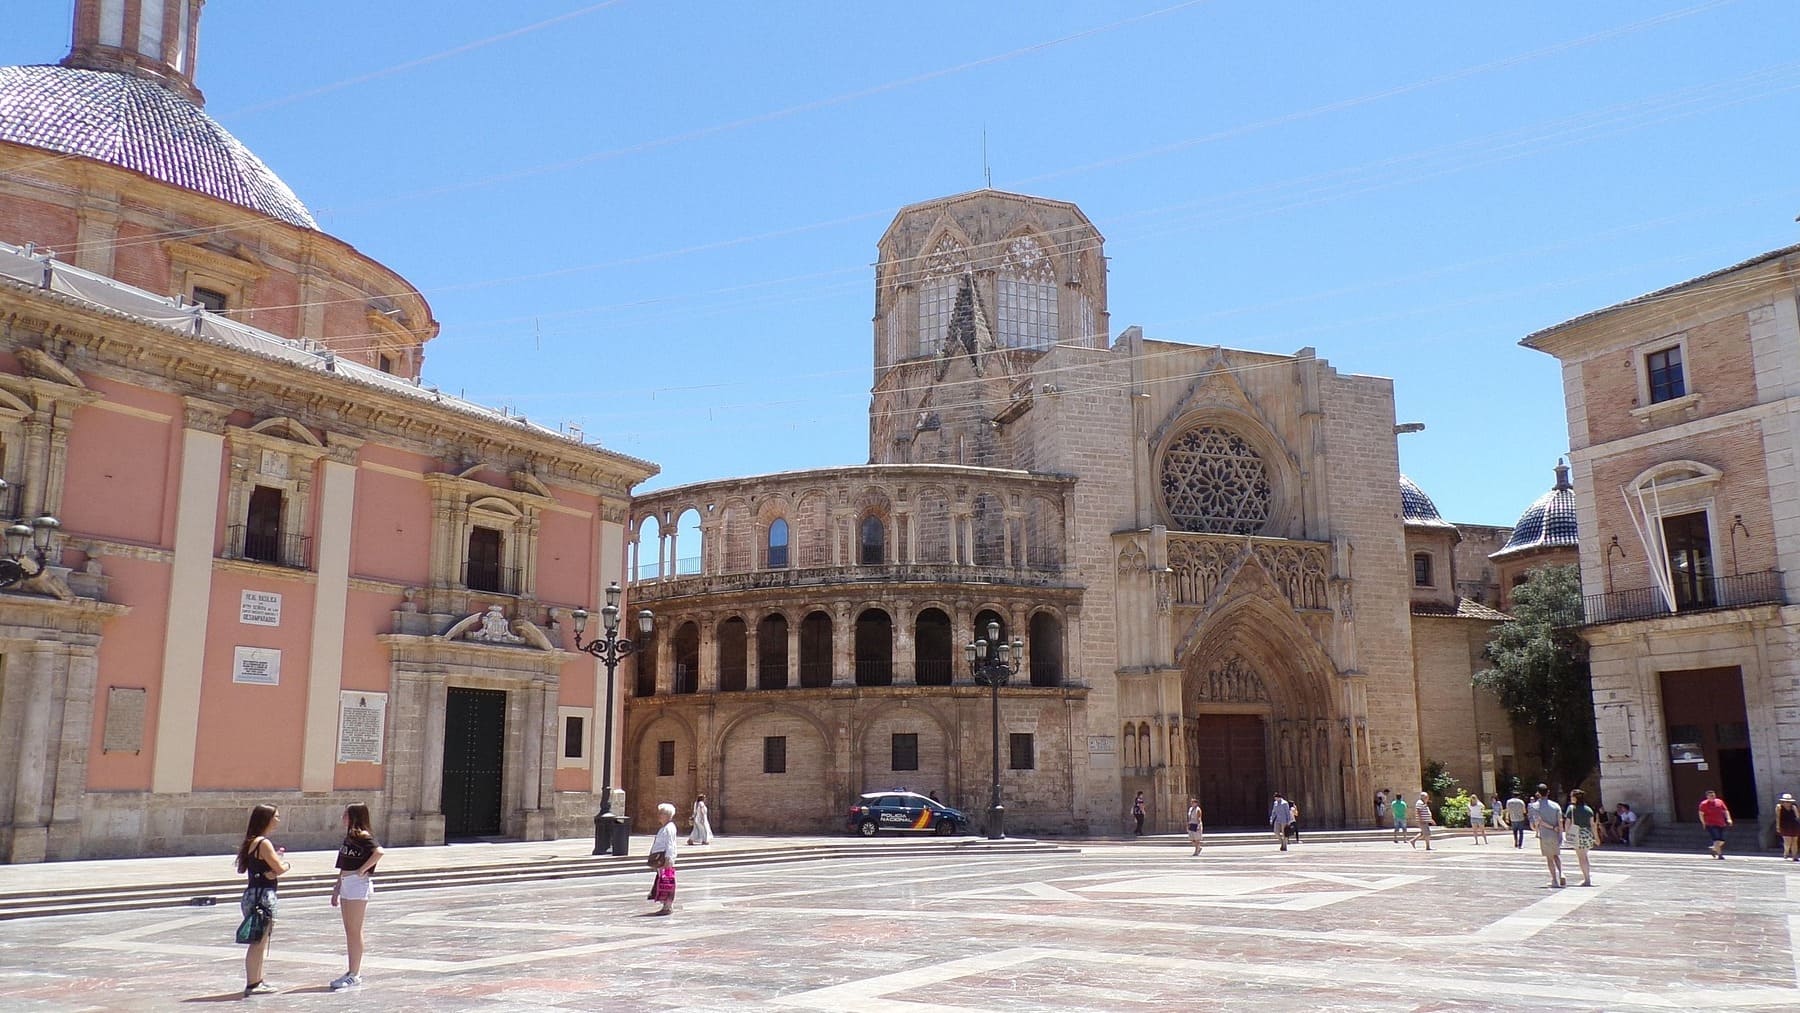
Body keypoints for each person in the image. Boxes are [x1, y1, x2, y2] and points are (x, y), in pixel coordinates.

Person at [326, 803, 384, 990]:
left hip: (357, 884)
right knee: (349, 929)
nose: (343, 817)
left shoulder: (362, 836)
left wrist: (362, 869)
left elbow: (379, 851)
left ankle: (355, 973)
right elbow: (343, 865)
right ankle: (351, 971)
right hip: (347, 883)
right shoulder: (349, 838)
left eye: (347, 814)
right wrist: (337, 887)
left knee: (354, 930)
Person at [235, 804, 290, 997]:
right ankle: (253, 982)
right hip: (263, 896)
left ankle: (257, 980)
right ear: (266, 819)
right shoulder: (263, 843)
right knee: (258, 942)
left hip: (252, 892)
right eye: (276, 816)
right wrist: (285, 864)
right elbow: (280, 868)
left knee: (259, 940)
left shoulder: (252, 841)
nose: (278, 820)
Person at [1529, 784, 1566, 888]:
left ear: (1538, 793)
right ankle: (1562, 873)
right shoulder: (1555, 805)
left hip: (1545, 834)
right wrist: (1560, 833)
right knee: (1556, 855)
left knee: (1549, 858)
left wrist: (1548, 827)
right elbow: (1560, 820)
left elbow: (1539, 821)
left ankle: (1554, 880)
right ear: (1548, 792)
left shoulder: (1535, 806)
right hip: (1556, 834)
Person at [647, 801, 679, 915]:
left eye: (661, 813)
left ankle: (668, 906)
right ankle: (665, 905)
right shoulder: (665, 827)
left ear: (667, 815)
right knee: (663, 881)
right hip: (662, 859)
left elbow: (670, 844)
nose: (659, 815)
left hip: (665, 859)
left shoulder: (669, 828)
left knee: (667, 882)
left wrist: (668, 859)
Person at [1564, 789, 1597, 887]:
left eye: (1571, 796)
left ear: (1575, 798)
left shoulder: (1571, 809)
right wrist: (1596, 837)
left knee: (1581, 858)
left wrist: (1567, 834)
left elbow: (1567, 823)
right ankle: (1587, 877)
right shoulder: (1588, 809)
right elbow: (1593, 825)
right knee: (1585, 856)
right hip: (1587, 834)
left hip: (1578, 834)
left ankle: (1587, 879)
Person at [1699, 789, 1733, 859]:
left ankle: (1713, 848)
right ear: (1707, 797)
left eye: (1714, 795)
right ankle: (1720, 855)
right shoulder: (1703, 804)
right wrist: (1703, 823)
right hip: (1710, 824)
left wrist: (1729, 819)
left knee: (1722, 840)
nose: (1713, 797)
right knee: (1716, 839)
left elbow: (1725, 811)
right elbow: (1701, 814)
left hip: (1721, 823)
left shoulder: (1719, 802)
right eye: (1711, 795)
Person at [1776, 793, 1800, 861]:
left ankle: (1794, 856)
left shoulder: (1794, 806)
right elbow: (1778, 817)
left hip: (1794, 825)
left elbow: (1798, 817)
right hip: (1784, 825)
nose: (1787, 803)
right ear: (1782, 802)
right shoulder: (1779, 807)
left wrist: (1795, 809)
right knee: (1787, 841)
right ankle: (1786, 852)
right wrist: (1778, 826)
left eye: (1789, 801)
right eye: (1785, 801)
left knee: (1794, 841)